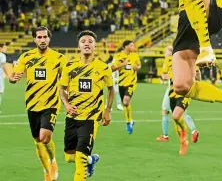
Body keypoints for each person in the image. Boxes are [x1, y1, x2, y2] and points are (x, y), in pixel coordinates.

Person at [10, 26, 65, 181]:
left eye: (45, 37)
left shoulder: (59, 58)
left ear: (49, 38)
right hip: (32, 104)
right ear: (34, 39)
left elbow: (67, 78)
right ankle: (46, 169)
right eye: (39, 37)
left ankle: (53, 160)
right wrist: (12, 78)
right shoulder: (26, 57)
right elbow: (14, 74)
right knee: (37, 141)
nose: (42, 40)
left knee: (45, 137)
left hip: (51, 104)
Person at [60, 30, 114, 180]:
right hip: (72, 117)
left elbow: (111, 89)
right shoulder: (69, 66)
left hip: (91, 118)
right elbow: (62, 88)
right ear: (78, 45)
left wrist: (107, 110)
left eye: (90, 41)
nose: (87, 44)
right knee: (69, 157)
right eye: (83, 41)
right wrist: (66, 104)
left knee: (80, 160)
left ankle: (86, 162)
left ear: (95, 45)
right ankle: (92, 160)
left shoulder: (103, 67)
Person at [156, 46, 200, 155]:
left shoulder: (180, 59)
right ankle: (192, 132)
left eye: (166, 52)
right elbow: (164, 74)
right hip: (172, 90)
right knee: (178, 115)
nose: (165, 54)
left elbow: (197, 73)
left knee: (173, 114)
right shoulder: (171, 61)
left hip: (182, 90)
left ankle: (169, 136)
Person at [111, 40, 141, 134]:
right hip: (121, 83)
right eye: (131, 45)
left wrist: (137, 68)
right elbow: (112, 68)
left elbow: (139, 66)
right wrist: (122, 65)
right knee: (125, 104)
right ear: (125, 46)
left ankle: (128, 122)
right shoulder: (118, 56)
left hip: (131, 83)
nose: (133, 47)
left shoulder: (135, 56)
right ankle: (130, 121)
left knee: (126, 101)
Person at [0, 43, 11, 113]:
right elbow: (3, 66)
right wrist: (8, 75)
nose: (5, 49)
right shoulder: (2, 55)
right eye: (4, 47)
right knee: (0, 92)